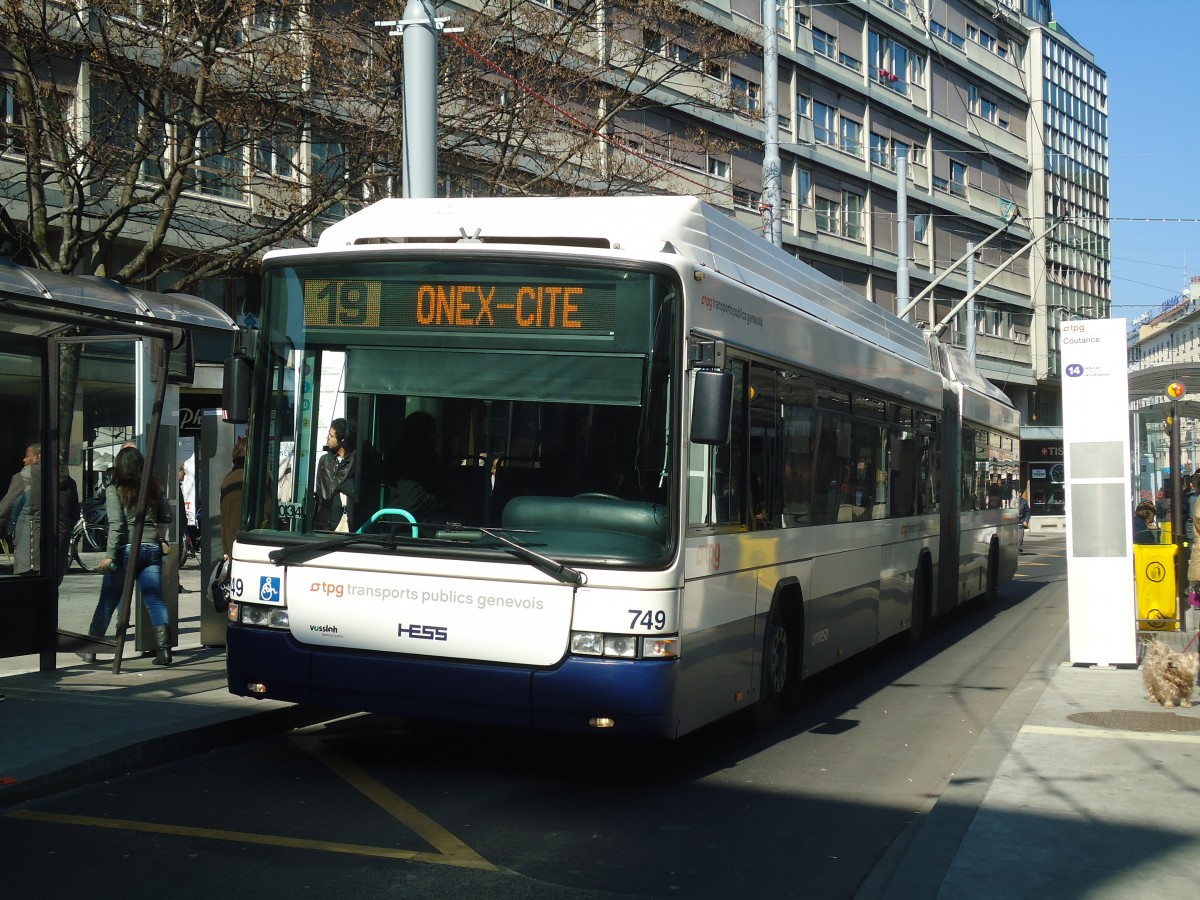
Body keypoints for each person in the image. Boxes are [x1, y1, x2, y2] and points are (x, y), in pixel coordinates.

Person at [80, 445, 174, 666]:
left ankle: (91, 649)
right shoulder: (153, 486)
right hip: (151, 548)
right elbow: (166, 515)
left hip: (126, 549)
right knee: (155, 599)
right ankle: (164, 651)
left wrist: (110, 555)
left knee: (107, 601)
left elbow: (116, 524)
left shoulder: (115, 489)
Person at [387, 411, 443, 525]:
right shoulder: (409, 460)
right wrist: (441, 499)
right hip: (411, 530)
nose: (438, 436)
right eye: (434, 432)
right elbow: (414, 502)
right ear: (424, 435)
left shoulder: (423, 458)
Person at [0, 441, 42, 575]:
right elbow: (73, 513)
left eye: (27, 456)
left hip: (28, 539)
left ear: (37, 457)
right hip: (57, 549)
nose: (24, 460)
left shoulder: (22, 478)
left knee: (28, 581)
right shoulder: (65, 479)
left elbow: (7, 505)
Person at [314, 417, 358, 531]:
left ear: (343, 441)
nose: (327, 438)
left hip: (348, 520)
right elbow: (319, 491)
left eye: (332, 436)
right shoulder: (325, 460)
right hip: (326, 521)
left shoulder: (355, 460)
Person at [219, 436, 246, 557]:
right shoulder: (259, 478)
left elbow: (224, 521)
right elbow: (267, 514)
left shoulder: (228, 480)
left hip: (232, 547)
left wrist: (226, 551)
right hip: (251, 545)